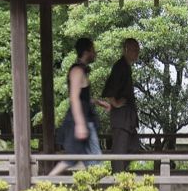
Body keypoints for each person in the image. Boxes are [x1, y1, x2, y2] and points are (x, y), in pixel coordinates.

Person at [49, 37, 109, 176]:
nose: (95, 53)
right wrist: (81, 125)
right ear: (87, 51)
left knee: (90, 161)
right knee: (84, 160)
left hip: (86, 122)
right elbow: (74, 98)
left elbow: (83, 98)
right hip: (81, 122)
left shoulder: (81, 70)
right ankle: (43, 183)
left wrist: (99, 102)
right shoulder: (77, 71)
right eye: (93, 50)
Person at [101, 38, 141, 173]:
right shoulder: (119, 66)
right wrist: (115, 103)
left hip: (128, 117)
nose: (137, 52)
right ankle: (117, 181)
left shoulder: (126, 67)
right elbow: (109, 90)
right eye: (134, 49)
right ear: (126, 50)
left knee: (134, 146)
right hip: (121, 117)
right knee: (119, 150)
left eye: (138, 49)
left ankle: (121, 173)